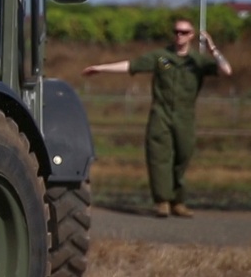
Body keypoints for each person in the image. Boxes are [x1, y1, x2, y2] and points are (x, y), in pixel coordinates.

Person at [82, 19, 232, 218]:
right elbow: (132, 65)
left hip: (185, 116)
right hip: (161, 114)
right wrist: (101, 68)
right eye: (176, 31)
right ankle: (162, 201)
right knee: (158, 157)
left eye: (184, 32)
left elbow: (226, 70)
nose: (179, 35)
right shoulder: (162, 58)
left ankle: (178, 201)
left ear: (191, 35)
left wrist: (212, 48)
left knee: (183, 156)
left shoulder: (198, 61)